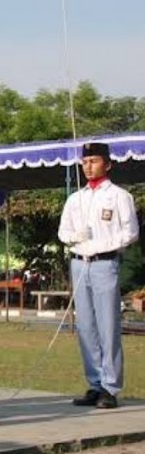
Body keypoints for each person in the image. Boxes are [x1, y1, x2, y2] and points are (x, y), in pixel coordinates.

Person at [58, 142, 139, 410]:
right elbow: (63, 232)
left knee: (108, 325)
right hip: (80, 263)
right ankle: (94, 382)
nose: (88, 166)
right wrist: (75, 239)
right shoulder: (75, 199)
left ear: (107, 163)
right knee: (86, 327)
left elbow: (130, 233)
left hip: (104, 263)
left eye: (94, 161)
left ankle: (110, 386)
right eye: (85, 161)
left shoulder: (119, 196)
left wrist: (100, 245)